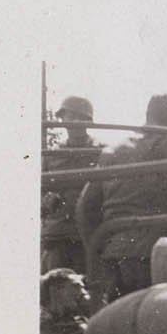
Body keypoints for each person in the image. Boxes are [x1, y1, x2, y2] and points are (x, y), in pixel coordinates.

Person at [75, 94, 167, 301]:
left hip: (115, 252)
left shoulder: (112, 151)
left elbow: (85, 207)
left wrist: (98, 248)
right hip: (154, 252)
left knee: (120, 321)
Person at [41, 95, 102, 273]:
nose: (74, 122)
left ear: (88, 121)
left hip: (89, 233)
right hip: (58, 234)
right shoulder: (51, 155)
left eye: (80, 117)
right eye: (70, 116)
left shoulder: (100, 151)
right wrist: (45, 201)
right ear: (63, 119)